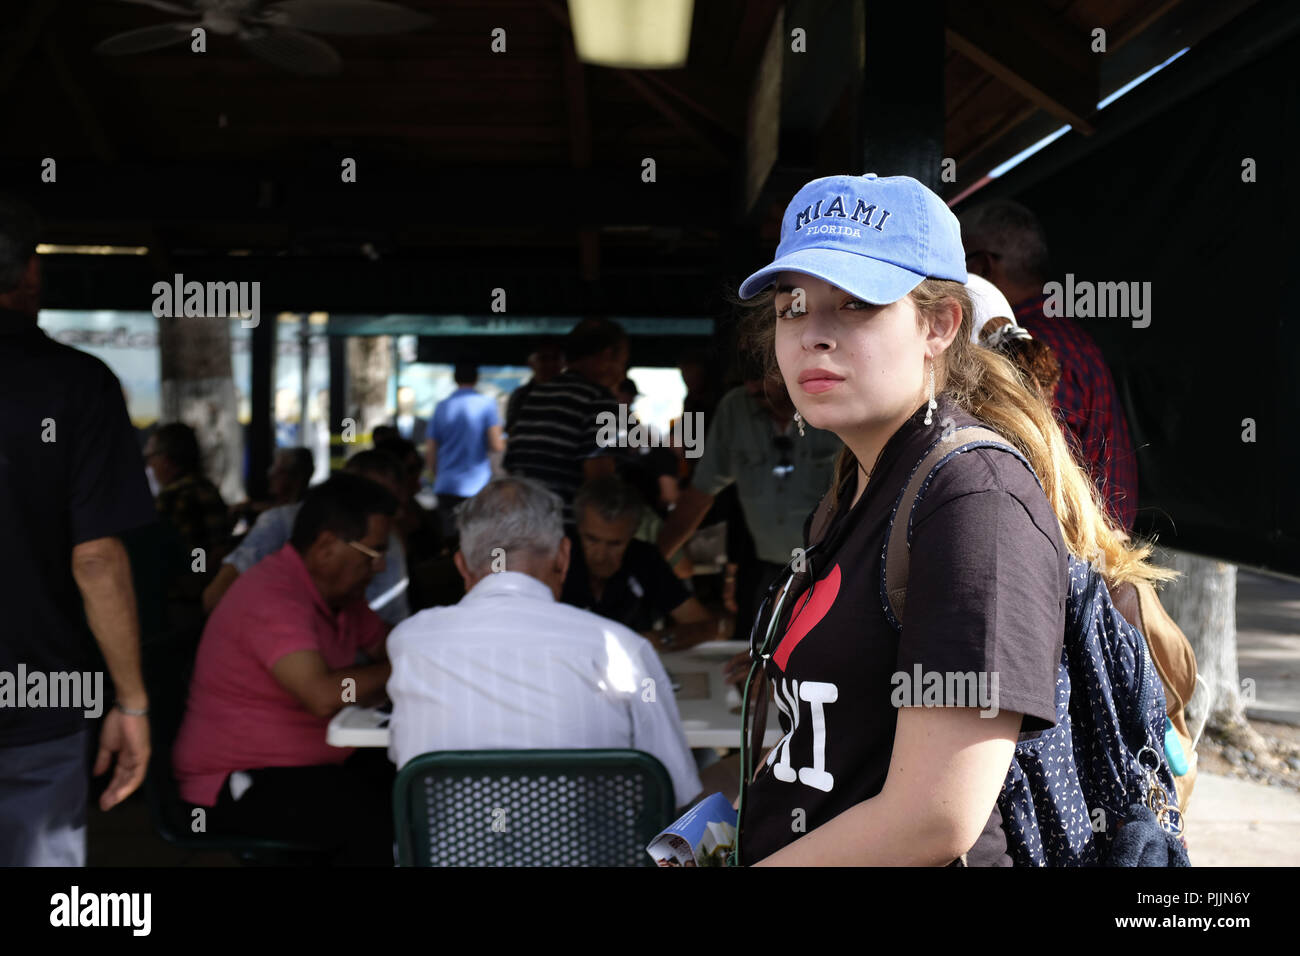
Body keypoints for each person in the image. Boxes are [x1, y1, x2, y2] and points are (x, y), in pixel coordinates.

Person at [728, 172, 1173, 867]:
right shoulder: (858, 484)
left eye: (856, 303)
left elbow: (933, 820)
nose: (813, 335)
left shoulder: (973, 500)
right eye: (793, 306)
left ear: (938, 325)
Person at [386, 477, 703, 810]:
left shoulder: (410, 644)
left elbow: (404, 758)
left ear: (462, 566)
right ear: (564, 557)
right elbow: (672, 792)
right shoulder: (620, 648)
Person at [0, 195, 155, 865]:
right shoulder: (78, 385)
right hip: (39, 702)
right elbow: (96, 559)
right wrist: (133, 701)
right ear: (30, 274)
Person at [171, 473, 398, 865]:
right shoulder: (273, 597)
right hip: (241, 779)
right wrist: (406, 667)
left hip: (312, 766)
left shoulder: (340, 598)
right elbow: (324, 695)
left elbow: (389, 646)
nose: (380, 568)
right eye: (373, 553)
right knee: (369, 819)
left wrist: (406, 658)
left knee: (411, 785)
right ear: (327, 547)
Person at [960, 198, 1138, 530]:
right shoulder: (1070, 337)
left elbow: (1045, 480)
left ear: (982, 267)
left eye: (956, 267)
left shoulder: (1030, 347)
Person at [656, 362, 841, 642]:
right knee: (755, 655)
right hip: (768, 569)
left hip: (833, 567)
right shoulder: (735, 409)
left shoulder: (836, 403)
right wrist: (654, 560)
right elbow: (700, 493)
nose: (754, 390)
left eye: (762, 379)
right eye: (749, 382)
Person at [201, 450, 412, 625]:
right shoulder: (280, 529)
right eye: (366, 501)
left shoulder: (385, 546)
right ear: (325, 547)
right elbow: (215, 598)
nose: (379, 565)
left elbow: (393, 634)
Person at [562, 477, 723, 646]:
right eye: (591, 539)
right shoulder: (556, 558)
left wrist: (655, 641)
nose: (601, 554)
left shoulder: (643, 558)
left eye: (615, 544)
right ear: (579, 529)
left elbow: (708, 627)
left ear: (632, 535)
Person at [503, 318, 628, 523]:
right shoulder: (600, 401)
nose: (622, 374)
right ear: (608, 356)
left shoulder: (536, 395)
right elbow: (600, 487)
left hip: (524, 527)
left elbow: (512, 466)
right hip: (566, 533)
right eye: (623, 361)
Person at [144, 422, 232, 595]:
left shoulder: (174, 497)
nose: (150, 465)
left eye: (151, 457)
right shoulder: (207, 489)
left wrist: (196, 576)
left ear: (167, 460)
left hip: (184, 601)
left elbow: (199, 549)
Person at [427, 362, 505, 538]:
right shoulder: (487, 404)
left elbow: (431, 449)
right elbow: (497, 444)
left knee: (449, 540)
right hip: (478, 486)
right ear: (477, 378)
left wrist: (436, 475)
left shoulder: (442, 406)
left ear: (455, 379)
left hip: (446, 484)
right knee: (476, 541)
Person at [230, 447, 314, 533]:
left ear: (297, 478)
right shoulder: (303, 509)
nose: (271, 474)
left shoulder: (277, 519)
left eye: (279, 470)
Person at [504, 339, 564, 435]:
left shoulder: (573, 393)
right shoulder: (520, 395)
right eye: (544, 359)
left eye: (555, 358)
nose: (550, 364)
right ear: (531, 363)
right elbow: (511, 429)